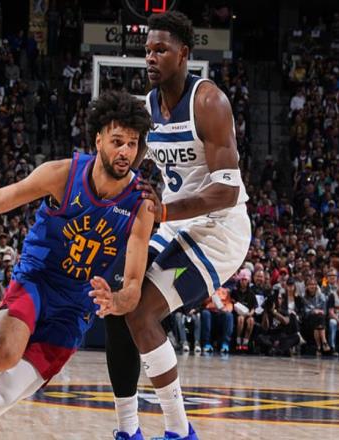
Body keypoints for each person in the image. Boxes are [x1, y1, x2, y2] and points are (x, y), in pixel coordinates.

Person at [0, 91, 154, 439]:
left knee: (4, 396)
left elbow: (134, 287)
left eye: (132, 144)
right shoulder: (63, 174)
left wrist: (116, 301)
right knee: (2, 356)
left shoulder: (141, 204)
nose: (125, 151)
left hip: (75, 306)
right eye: (117, 141)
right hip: (38, 278)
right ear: (99, 140)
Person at [100, 11, 250, 440]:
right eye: (148, 50)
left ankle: (180, 431)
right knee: (118, 300)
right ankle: (128, 429)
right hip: (175, 223)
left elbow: (227, 191)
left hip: (218, 231)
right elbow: (125, 170)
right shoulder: (147, 108)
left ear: (183, 54)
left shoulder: (209, 102)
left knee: (143, 311)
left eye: (161, 50)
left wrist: (163, 212)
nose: (151, 57)